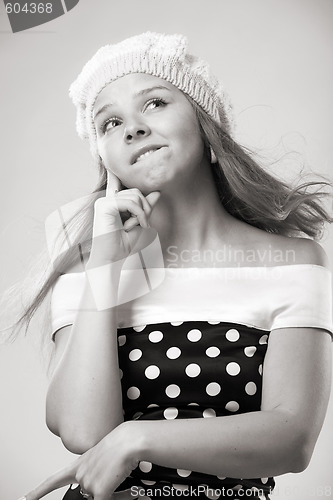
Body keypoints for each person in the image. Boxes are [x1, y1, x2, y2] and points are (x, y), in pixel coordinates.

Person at [15, 32, 333, 500]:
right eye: (109, 123)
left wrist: (135, 438)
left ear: (208, 130)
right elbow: (84, 432)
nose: (133, 128)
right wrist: (106, 262)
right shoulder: (86, 272)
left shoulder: (294, 262)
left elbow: (292, 440)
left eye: (156, 103)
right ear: (107, 162)